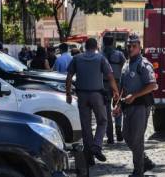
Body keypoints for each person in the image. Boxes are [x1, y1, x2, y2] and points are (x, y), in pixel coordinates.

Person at [66, 38, 119, 166]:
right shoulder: (101, 58)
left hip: (82, 95)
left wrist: (68, 94)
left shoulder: (77, 58)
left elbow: (68, 77)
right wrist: (116, 91)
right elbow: (110, 76)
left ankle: (89, 156)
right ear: (96, 47)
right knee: (103, 120)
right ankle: (97, 145)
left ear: (85, 46)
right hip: (96, 95)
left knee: (86, 126)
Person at [113, 34, 157, 177]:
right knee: (127, 136)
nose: (130, 48)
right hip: (128, 106)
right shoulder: (126, 64)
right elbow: (123, 88)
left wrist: (135, 95)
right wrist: (118, 104)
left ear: (139, 47)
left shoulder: (143, 64)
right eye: (129, 46)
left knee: (137, 139)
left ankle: (138, 171)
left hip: (141, 106)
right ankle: (144, 160)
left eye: (134, 46)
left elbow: (152, 85)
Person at [102, 36, 126, 144]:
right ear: (113, 43)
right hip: (117, 83)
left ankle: (110, 135)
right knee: (118, 106)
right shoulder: (119, 54)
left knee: (106, 109)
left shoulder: (100, 55)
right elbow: (125, 67)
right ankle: (118, 127)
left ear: (103, 42)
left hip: (104, 84)